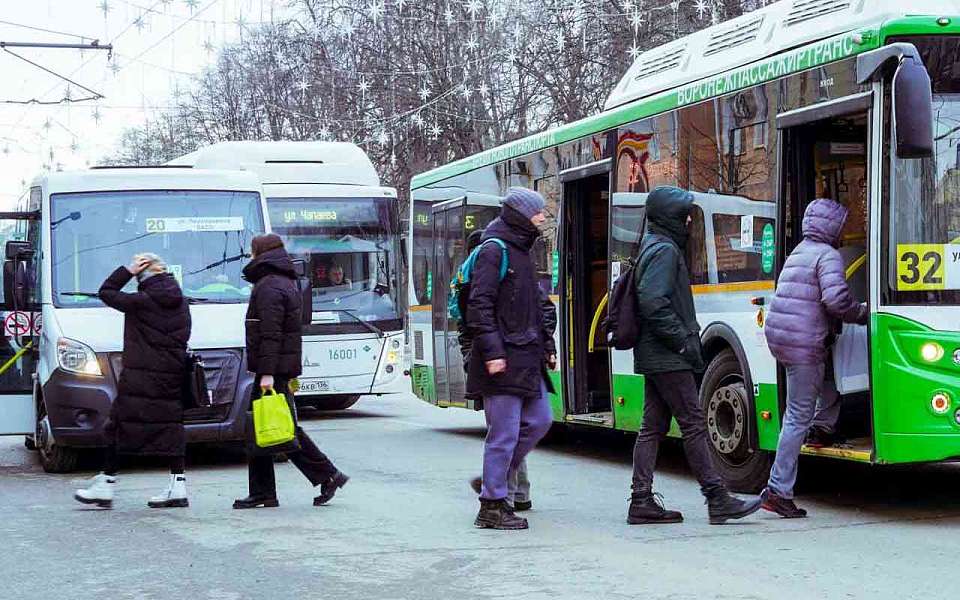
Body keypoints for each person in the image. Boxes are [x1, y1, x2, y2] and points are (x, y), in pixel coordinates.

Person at [627, 186, 761, 525]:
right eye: (684, 214)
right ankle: (717, 498)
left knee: (652, 426)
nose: (689, 220)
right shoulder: (665, 251)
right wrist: (685, 342)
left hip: (656, 354)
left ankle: (641, 499)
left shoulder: (652, 246)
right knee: (694, 423)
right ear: (671, 217)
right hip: (667, 354)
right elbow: (652, 301)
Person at [761, 198, 868, 518]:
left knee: (828, 377)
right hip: (802, 345)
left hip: (784, 338)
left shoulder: (800, 251)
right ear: (832, 227)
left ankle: (822, 426)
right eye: (841, 225)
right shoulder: (827, 255)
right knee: (796, 416)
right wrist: (862, 313)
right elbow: (835, 300)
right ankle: (778, 491)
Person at [233, 234, 349, 509]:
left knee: (272, 427)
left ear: (259, 253)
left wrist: (267, 372)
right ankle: (270, 490)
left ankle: (324, 474)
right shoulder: (280, 281)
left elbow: (271, 334)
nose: (250, 256)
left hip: (272, 370)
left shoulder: (270, 286)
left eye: (252, 251)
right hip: (277, 367)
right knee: (270, 426)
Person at [466, 188, 556, 530]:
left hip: (526, 357)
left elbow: (535, 307)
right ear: (521, 215)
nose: (543, 218)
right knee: (503, 434)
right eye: (539, 212)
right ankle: (491, 505)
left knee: (540, 420)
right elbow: (480, 305)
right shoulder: (494, 250)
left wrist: (548, 346)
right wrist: (493, 353)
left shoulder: (521, 250)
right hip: (502, 360)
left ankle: (496, 481)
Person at [74, 253, 192, 509]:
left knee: (118, 426)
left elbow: (106, 292)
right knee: (172, 427)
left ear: (142, 276)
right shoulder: (181, 301)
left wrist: (127, 271)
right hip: (172, 375)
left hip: (140, 377)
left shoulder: (142, 301)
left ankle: (106, 484)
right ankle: (178, 485)